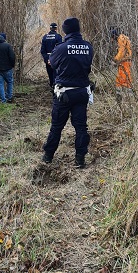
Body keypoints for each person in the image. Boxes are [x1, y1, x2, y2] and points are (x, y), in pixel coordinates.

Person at [42, 17, 94, 169]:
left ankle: (48, 156)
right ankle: (80, 159)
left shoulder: (61, 48)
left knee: (57, 127)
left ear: (65, 31)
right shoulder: (88, 47)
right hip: (82, 92)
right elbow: (88, 65)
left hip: (63, 94)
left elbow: (52, 63)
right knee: (81, 127)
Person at [111, 28, 132, 100]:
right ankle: (124, 95)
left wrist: (115, 60)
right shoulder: (124, 37)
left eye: (112, 37)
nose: (112, 40)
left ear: (114, 36)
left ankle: (124, 96)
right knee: (124, 77)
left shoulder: (121, 39)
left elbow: (121, 51)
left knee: (123, 78)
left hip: (125, 61)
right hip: (126, 60)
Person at [40, 22, 63, 87]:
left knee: (50, 74)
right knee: (56, 74)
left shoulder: (45, 37)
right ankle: (55, 87)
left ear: (50, 28)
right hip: (56, 59)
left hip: (48, 58)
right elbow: (60, 49)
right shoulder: (58, 37)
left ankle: (51, 85)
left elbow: (42, 50)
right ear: (56, 29)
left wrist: (47, 59)